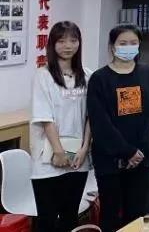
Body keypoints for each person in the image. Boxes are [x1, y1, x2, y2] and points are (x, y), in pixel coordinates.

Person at [87, 24, 149, 232]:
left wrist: (139, 151)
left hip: (140, 159)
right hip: (109, 160)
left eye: (133, 43)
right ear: (112, 46)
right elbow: (100, 122)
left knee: (136, 215)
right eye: (123, 43)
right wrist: (127, 151)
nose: (128, 47)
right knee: (110, 213)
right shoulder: (99, 78)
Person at [30, 21, 92, 232]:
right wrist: (58, 151)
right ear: (52, 44)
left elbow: (90, 117)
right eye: (62, 41)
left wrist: (84, 149)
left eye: (73, 40)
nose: (68, 46)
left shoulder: (87, 75)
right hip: (48, 159)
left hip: (78, 158)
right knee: (47, 218)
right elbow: (44, 117)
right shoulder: (43, 75)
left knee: (69, 216)